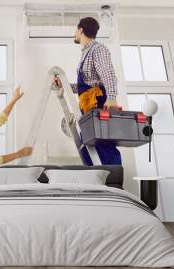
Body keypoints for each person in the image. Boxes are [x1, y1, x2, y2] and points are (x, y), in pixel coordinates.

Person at [53, 17, 121, 166]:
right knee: (90, 146)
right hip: (88, 106)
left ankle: (112, 180)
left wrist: (112, 97)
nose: (74, 33)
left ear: (81, 30)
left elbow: (108, 73)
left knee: (102, 144)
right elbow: (87, 85)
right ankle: (96, 182)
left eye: (75, 29)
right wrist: (65, 85)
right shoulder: (85, 54)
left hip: (98, 103)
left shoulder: (97, 49)